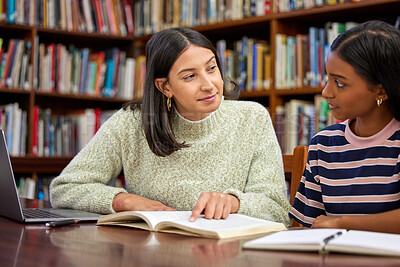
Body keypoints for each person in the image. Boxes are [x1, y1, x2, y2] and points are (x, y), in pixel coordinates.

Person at [50, 27, 290, 225]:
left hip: (223, 255)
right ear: (165, 87)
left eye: (211, 68)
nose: (209, 85)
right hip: (151, 253)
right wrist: (124, 201)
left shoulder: (253, 118)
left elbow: (278, 209)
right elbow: (65, 187)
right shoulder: (131, 123)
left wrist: (234, 202)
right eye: (190, 76)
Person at [289, 20, 400, 234]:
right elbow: (305, 226)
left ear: (380, 91)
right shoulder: (323, 145)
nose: (326, 92)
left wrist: (341, 223)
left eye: (339, 82)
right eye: (327, 77)